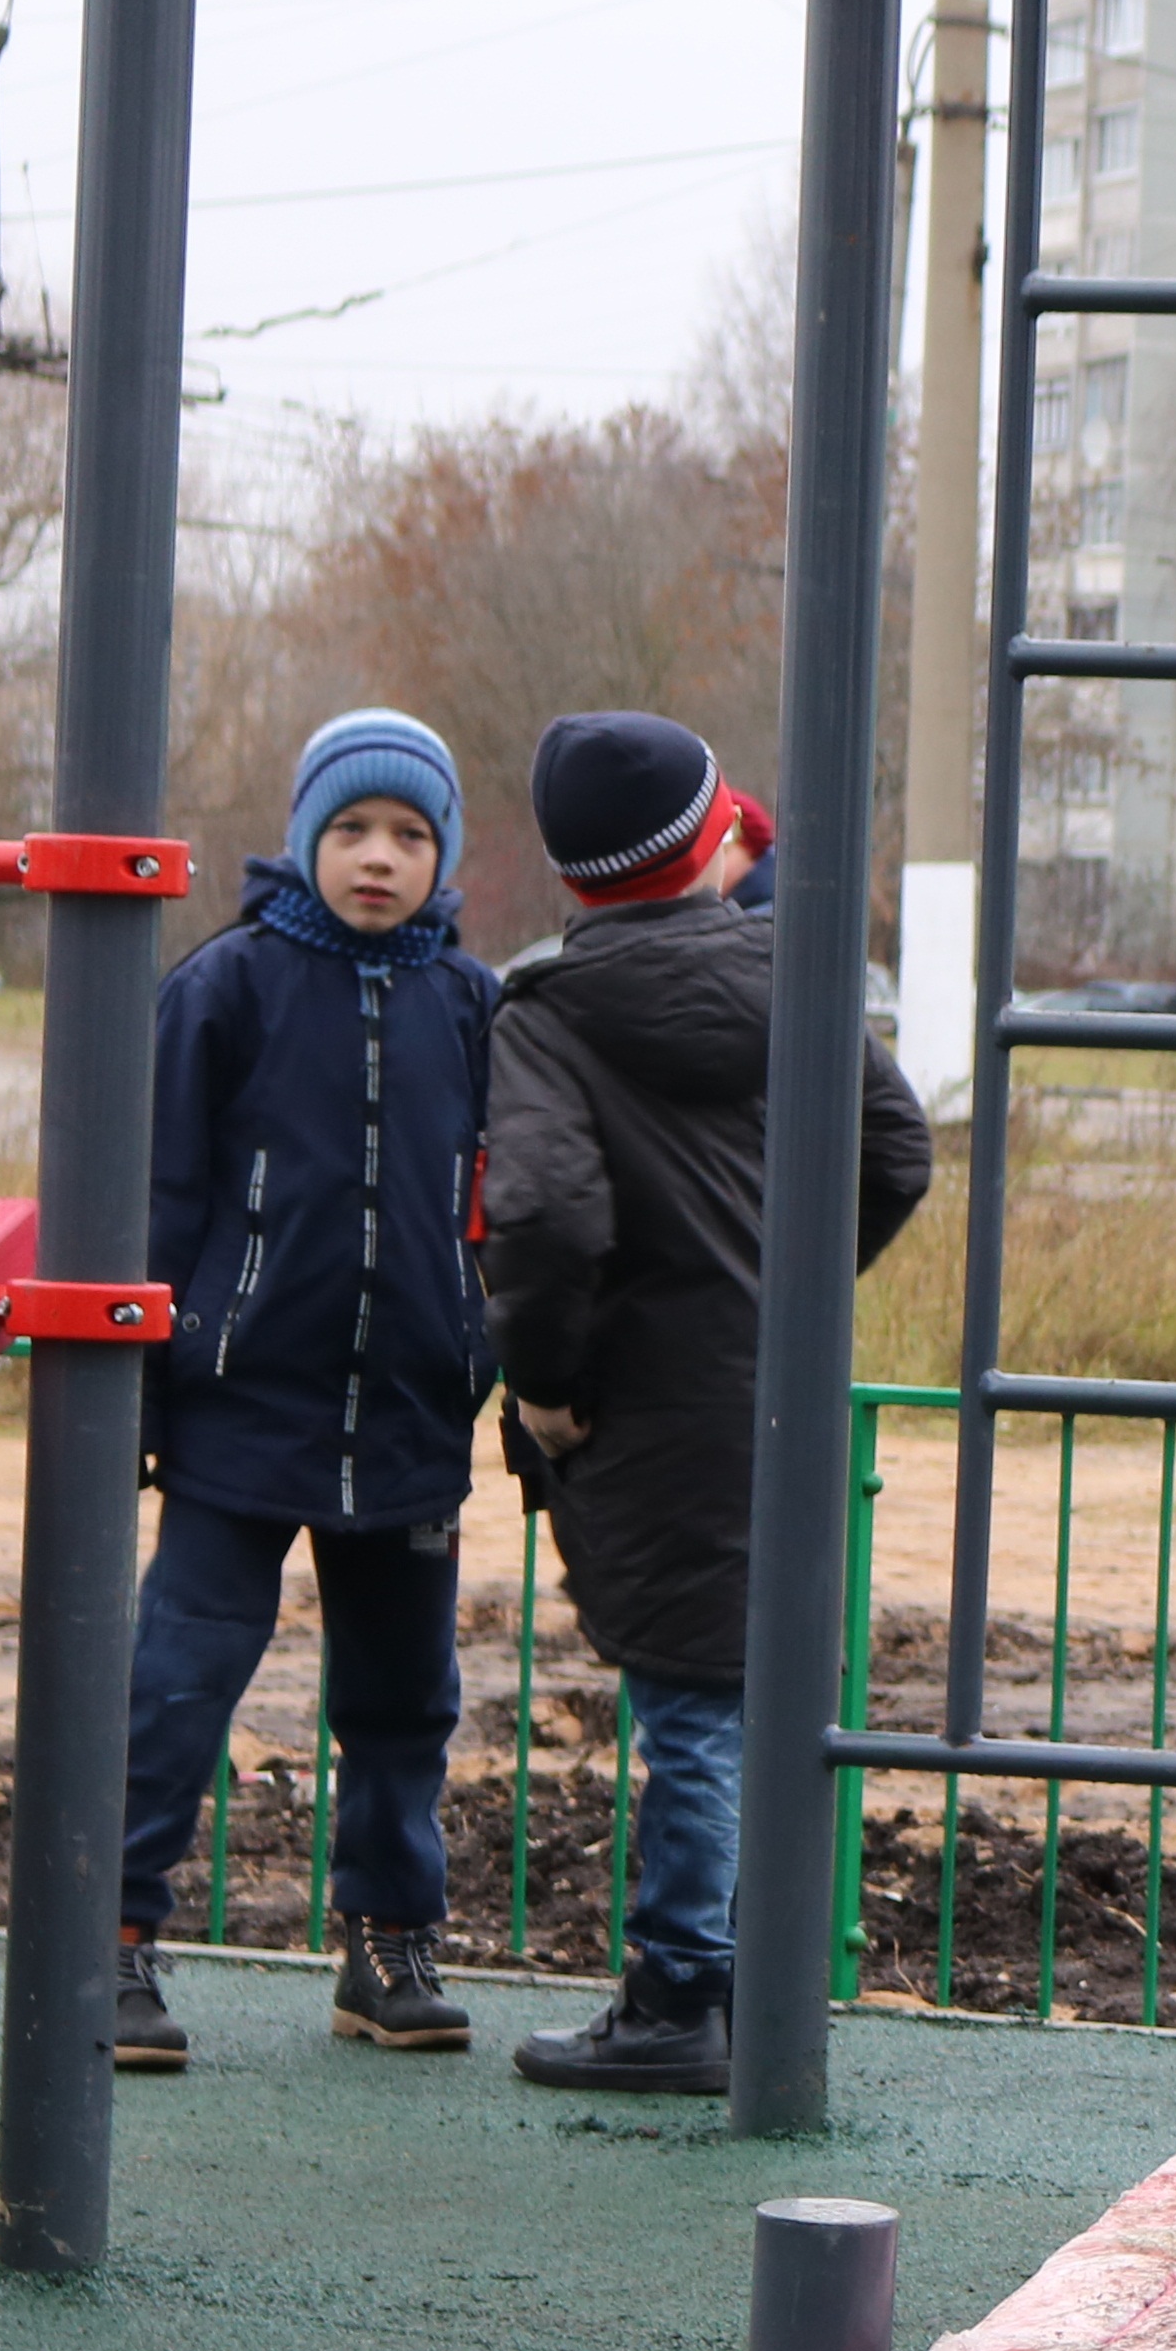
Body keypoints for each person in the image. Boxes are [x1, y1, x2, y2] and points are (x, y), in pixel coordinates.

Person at [480, 711, 934, 2096]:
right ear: (707, 841)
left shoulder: (547, 1011)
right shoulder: (797, 978)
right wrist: (791, 1293)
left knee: (686, 1705)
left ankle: (682, 1989)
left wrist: (549, 1383)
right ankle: (747, 1975)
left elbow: (548, 1213)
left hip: (643, 1400)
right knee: (754, 1696)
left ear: (572, 874)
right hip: (771, 1384)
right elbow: (896, 1150)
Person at [110, 714, 505, 2069]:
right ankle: (109, 1933)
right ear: (302, 838)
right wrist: (141, 1406)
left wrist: (479, 1348)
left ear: (442, 851)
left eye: (408, 834)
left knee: (405, 1697)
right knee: (178, 1676)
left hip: (406, 1418)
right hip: (242, 1407)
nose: (378, 858)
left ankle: (388, 1942)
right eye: (351, 831)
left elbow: (500, 1206)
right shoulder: (225, 987)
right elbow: (158, 1201)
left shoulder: (473, 1003)